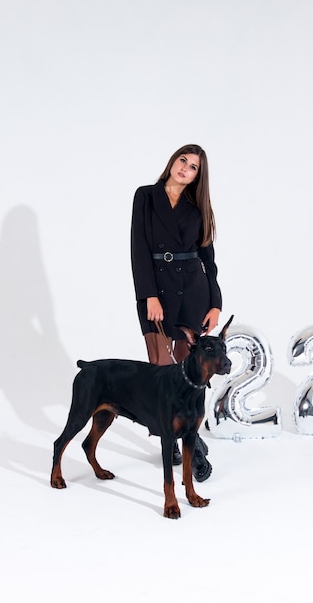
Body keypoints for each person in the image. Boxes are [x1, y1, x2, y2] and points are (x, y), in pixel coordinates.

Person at [130, 144, 222, 481]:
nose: (185, 168)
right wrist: (149, 295)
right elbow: (138, 250)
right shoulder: (145, 196)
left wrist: (216, 302)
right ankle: (176, 439)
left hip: (192, 294)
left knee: (189, 376)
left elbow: (208, 260)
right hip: (156, 293)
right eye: (183, 160)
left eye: (194, 166)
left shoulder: (198, 208)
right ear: (173, 161)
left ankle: (189, 448)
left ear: (199, 175)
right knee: (161, 371)